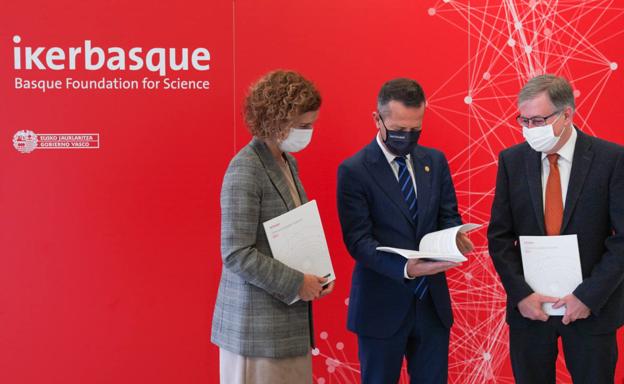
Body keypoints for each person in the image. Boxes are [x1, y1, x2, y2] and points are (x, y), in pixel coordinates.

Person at [488, 74, 624, 383]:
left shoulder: (611, 159)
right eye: (524, 120)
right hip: (531, 311)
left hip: (592, 309)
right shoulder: (512, 161)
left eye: (538, 120)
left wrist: (588, 297)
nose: (530, 130)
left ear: (566, 115)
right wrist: (520, 295)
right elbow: (499, 237)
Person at [336, 78, 473, 383]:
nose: (406, 137)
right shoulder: (354, 170)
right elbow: (358, 241)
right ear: (378, 119)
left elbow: (448, 216)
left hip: (431, 307)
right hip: (380, 307)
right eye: (399, 130)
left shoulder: (434, 162)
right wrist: (406, 268)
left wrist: (455, 238)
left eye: (415, 130)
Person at [211, 70, 335, 384]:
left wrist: (320, 275)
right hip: (256, 332)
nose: (309, 132)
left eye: (312, 124)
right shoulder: (245, 168)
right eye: (303, 125)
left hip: (287, 326)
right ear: (277, 120)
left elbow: (295, 229)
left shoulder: (286, 161)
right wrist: (296, 283)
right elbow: (236, 253)